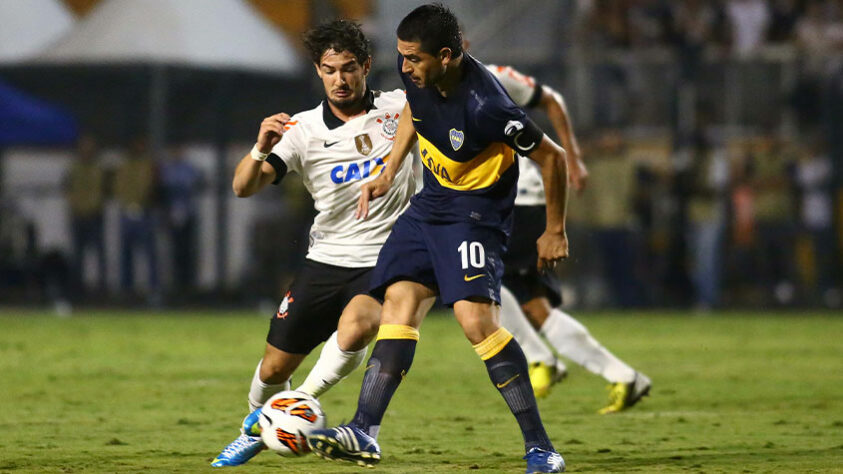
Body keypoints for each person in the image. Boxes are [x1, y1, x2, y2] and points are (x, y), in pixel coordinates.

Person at [308, 5, 568, 472]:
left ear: (445, 56)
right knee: (400, 302)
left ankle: (541, 448)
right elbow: (414, 111)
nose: (405, 68)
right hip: (429, 208)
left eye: (414, 59)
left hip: (475, 216)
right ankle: (364, 431)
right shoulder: (420, 78)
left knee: (476, 324)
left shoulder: (489, 107)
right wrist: (388, 172)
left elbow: (555, 160)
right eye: (403, 57)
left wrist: (554, 230)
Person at [210, 20, 417, 467]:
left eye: (348, 69)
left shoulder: (402, 107)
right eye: (329, 70)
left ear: (365, 66)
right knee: (272, 368)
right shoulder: (301, 129)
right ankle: (258, 423)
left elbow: (439, 109)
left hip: (388, 257)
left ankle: (292, 407)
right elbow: (243, 187)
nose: (339, 80)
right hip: (324, 260)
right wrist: (261, 148)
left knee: (360, 326)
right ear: (318, 72)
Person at [486, 64, 651, 412]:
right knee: (533, 307)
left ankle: (541, 358)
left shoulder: (487, 77)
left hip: (517, 200)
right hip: (501, 201)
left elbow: (552, 99)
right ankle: (622, 375)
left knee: (471, 279)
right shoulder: (428, 93)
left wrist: (573, 157)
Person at [65, 134, 106, 295]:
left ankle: (102, 289)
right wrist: (76, 206)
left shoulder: (99, 168)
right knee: (77, 255)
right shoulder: (73, 168)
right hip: (78, 215)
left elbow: (103, 191)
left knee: (99, 254)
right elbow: (68, 190)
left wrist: (93, 206)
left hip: (95, 215)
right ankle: (76, 290)